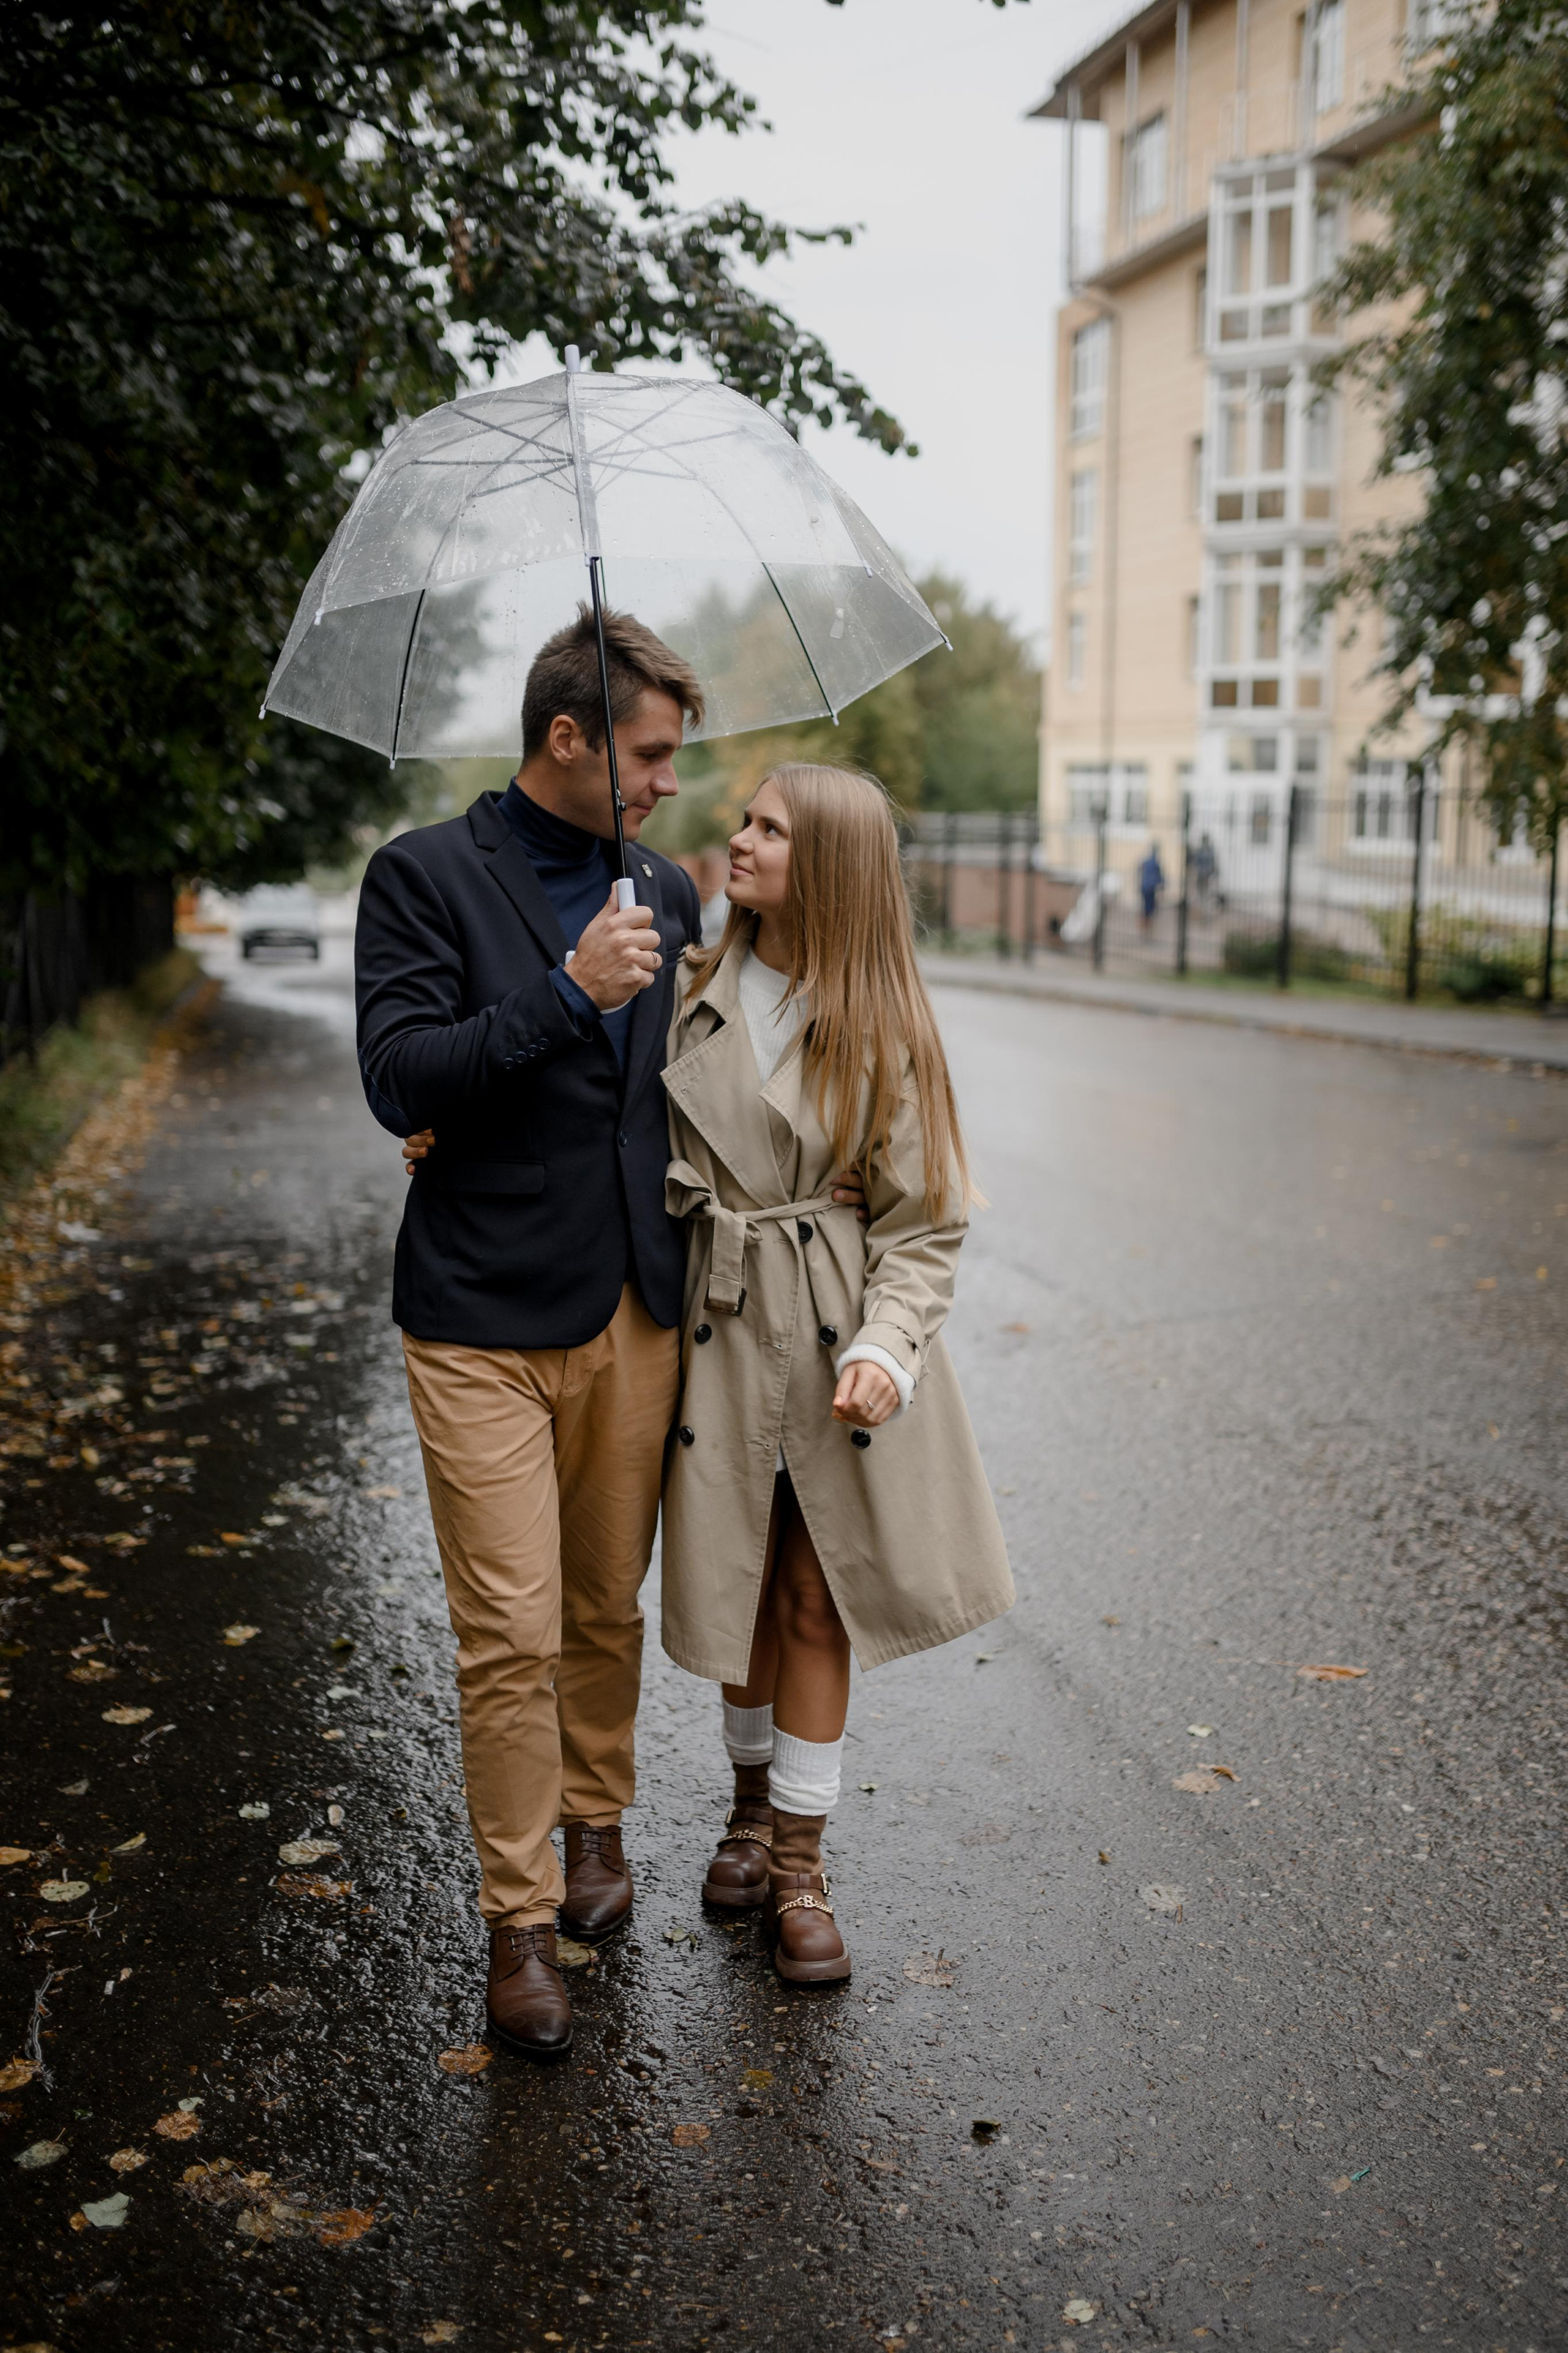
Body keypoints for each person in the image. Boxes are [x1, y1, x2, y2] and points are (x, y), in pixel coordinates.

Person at [355, 607, 709, 2062]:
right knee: (509, 1630)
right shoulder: (424, 874)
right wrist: (570, 993)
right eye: (649, 754)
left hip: (633, 1301)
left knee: (605, 1600)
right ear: (567, 737)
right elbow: (399, 1075)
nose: (669, 782)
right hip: (481, 1311)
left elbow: (698, 1082)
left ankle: (595, 1818)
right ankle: (517, 1921)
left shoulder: (666, 888)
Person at [659, 763, 1014, 1985]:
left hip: (832, 1339)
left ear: (831, 868)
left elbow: (925, 1223)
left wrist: (884, 1345)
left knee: (817, 1598)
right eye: (745, 820)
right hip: (718, 1329)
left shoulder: (884, 1025)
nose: (739, 839)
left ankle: (801, 1866)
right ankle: (747, 1813)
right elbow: (605, 1129)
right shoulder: (686, 990)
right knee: (743, 1587)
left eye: (771, 829)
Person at [1138, 841, 1165, 933]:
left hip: (1145, 887)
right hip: (1150, 888)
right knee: (1149, 907)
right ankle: (1147, 927)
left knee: (1146, 907)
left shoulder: (1146, 862)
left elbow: (1140, 870)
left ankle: (1145, 926)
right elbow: (1159, 877)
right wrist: (1162, 886)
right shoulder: (1155, 863)